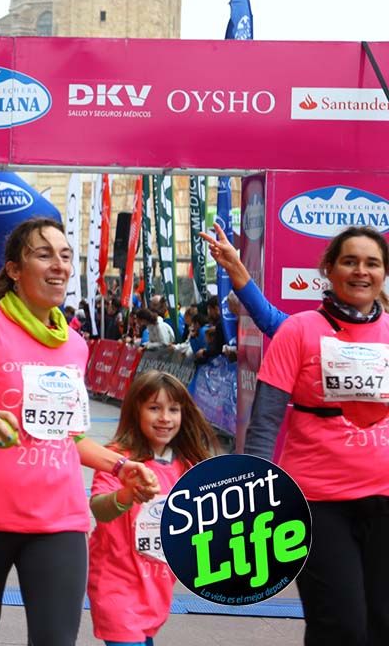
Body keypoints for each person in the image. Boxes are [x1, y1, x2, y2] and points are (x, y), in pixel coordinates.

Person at [0, 217, 159, 646]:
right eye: (44, 254)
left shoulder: (75, 345)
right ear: (15, 269)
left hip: (59, 520)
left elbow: (69, 437)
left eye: (65, 256)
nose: (59, 265)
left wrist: (121, 466)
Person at [244, 226, 389, 646]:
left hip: (384, 499)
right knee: (340, 626)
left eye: (372, 263)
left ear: (383, 273)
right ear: (328, 269)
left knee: (383, 625)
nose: (360, 271)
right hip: (316, 503)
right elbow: (265, 421)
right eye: (349, 261)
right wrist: (254, 498)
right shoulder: (299, 330)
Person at [87, 370, 219, 646]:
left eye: (174, 409)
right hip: (116, 583)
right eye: (154, 408)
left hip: (158, 585)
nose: (165, 418)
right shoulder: (117, 459)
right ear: (135, 410)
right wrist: (127, 494)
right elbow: (99, 508)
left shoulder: (188, 467)